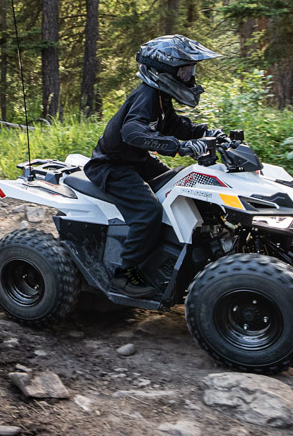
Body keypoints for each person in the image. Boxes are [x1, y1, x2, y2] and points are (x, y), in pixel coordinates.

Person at [83, 35, 222, 298]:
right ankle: (125, 274)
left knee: (178, 186)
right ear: (164, 71)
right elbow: (132, 132)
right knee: (148, 210)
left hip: (136, 160)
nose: (189, 75)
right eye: (184, 70)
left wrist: (204, 132)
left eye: (190, 69)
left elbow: (173, 124)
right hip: (111, 166)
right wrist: (179, 147)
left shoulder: (159, 95)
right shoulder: (147, 94)